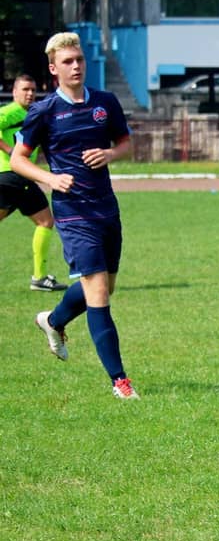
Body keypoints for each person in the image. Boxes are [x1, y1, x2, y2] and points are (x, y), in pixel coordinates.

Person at [11, 32, 138, 399]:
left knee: (105, 286)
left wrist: (110, 154)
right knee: (98, 292)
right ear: (54, 69)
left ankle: (52, 321)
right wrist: (51, 179)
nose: (76, 66)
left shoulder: (105, 102)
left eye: (79, 59)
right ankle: (120, 382)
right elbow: (19, 159)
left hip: (106, 207)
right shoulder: (45, 111)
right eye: (67, 62)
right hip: (72, 212)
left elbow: (126, 144)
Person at [0, 74, 68, 292]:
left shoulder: (32, 114)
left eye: (32, 90)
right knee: (45, 221)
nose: (29, 94)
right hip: (14, 175)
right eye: (25, 89)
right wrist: (11, 151)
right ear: (14, 92)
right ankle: (39, 277)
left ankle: (39, 277)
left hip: (10, 177)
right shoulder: (10, 112)